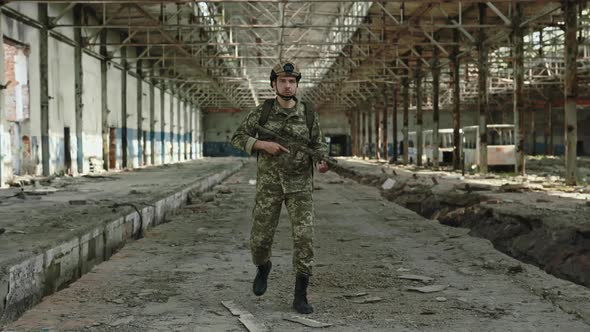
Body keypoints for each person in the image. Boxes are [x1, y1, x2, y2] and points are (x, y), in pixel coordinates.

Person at [230, 61, 329, 314]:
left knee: (305, 238)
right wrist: (263, 145)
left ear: (297, 85)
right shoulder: (261, 112)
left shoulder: (308, 113)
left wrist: (322, 160)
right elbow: (237, 137)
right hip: (269, 186)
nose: (288, 85)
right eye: (283, 81)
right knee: (260, 240)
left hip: (300, 186)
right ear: (274, 84)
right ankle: (263, 267)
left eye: (292, 81)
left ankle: (300, 295)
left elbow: (318, 145)